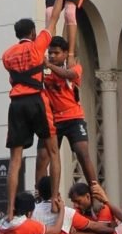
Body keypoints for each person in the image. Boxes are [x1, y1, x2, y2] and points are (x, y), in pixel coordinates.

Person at [2, 0, 67, 219]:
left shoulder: (7, 55)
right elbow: (55, 17)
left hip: (16, 104)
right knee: (53, 152)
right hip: (37, 101)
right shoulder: (38, 45)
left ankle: (10, 209)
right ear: (32, 33)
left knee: (15, 159)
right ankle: (55, 200)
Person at [35, 36, 98, 190]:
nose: (52, 56)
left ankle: (95, 189)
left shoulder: (74, 67)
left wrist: (48, 64)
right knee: (42, 158)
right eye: (50, 53)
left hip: (73, 118)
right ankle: (39, 192)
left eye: (56, 53)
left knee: (82, 153)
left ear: (65, 54)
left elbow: (69, 76)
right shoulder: (45, 71)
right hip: (52, 120)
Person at [31, 177, 115, 234]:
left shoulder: (32, 211)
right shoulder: (68, 213)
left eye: (78, 201)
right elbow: (94, 227)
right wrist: (116, 230)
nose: (75, 205)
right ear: (57, 192)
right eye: (74, 202)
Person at [0, 192, 66, 234]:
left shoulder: (3, 222)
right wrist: (62, 209)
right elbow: (56, 230)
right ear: (29, 212)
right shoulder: (28, 225)